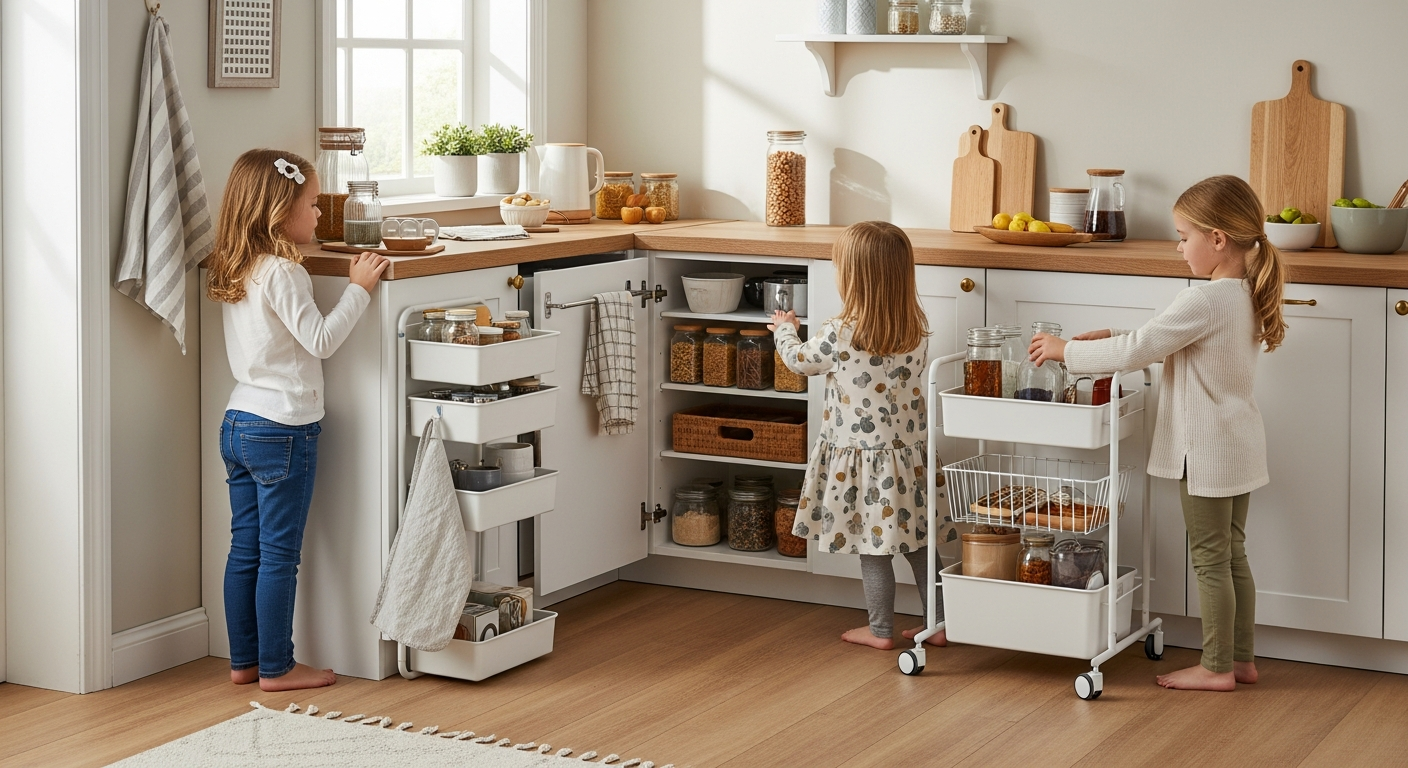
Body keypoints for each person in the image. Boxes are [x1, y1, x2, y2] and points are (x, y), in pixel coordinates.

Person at [1028, 174, 1286, 691]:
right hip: (1237, 444)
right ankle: (1240, 659)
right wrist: (1116, 335)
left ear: (1217, 239)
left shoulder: (1206, 299)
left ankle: (1216, 668)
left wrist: (1065, 352)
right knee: (1232, 552)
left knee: (1211, 558)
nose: (1178, 246)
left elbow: (1138, 350)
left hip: (1205, 450)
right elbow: (1162, 340)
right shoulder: (1241, 294)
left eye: (1184, 235)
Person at [206, 148, 390, 692]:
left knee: (246, 548)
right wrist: (359, 288)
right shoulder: (284, 272)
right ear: (278, 210)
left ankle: (244, 661)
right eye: (311, 204)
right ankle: (278, 667)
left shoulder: (237, 264)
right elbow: (322, 340)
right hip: (282, 426)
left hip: (238, 420)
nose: (318, 214)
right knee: (279, 556)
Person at [770, 221, 951, 650]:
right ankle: (940, 624)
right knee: (921, 546)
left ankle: (880, 630)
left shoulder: (839, 333)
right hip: (910, 459)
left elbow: (798, 361)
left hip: (864, 461)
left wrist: (784, 327)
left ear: (851, 277)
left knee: (874, 550)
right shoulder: (916, 331)